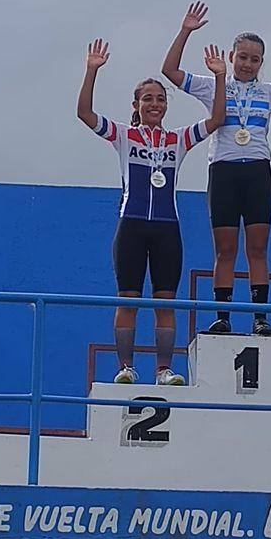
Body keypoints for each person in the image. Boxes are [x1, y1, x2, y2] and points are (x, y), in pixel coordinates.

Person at [162, 2, 271, 336]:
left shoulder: (270, 91)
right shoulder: (212, 84)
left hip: (258, 173)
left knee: (258, 249)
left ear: (262, 63)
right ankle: (223, 316)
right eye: (243, 57)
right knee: (225, 250)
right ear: (232, 56)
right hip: (224, 172)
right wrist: (186, 30)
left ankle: (260, 318)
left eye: (255, 59)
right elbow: (170, 71)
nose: (248, 64)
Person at [77, 38, 226, 384]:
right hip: (131, 226)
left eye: (160, 99)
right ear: (136, 105)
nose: (155, 104)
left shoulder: (178, 139)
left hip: (167, 229)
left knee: (165, 303)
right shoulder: (124, 136)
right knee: (128, 300)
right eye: (148, 99)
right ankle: (126, 368)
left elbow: (217, 118)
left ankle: (163, 370)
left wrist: (220, 76)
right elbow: (84, 113)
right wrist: (91, 70)